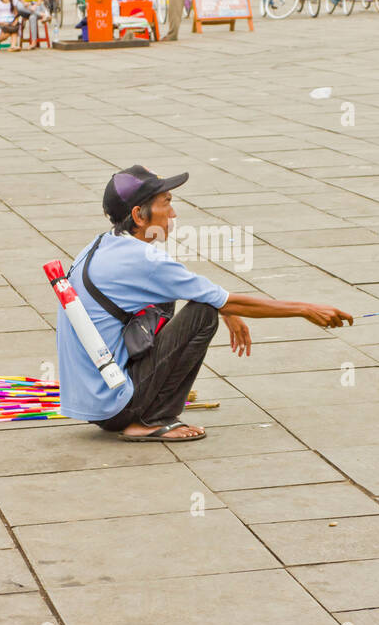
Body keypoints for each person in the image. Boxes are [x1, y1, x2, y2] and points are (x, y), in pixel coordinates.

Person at [55, 165, 353, 441]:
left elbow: (204, 292)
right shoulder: (146, 260)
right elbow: (217, 300)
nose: (172, 214)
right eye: (166, 202)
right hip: (116, 406)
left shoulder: (102, 244)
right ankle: (151, 420)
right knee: (202, 314)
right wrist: (305, 309)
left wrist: (228, 309)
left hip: (92, 399)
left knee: (176, 299)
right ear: (139, 215)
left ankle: (141, 409)